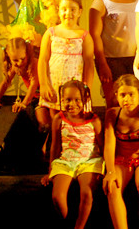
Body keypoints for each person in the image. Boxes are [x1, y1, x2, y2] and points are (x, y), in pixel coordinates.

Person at [41, 80, 103, 229]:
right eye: (68, 100)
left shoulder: (93, 120)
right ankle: (67, 222)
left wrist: (108, 170)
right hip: (66, 161)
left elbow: (103, 144)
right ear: (62, 100)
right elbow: (55, 146)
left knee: (87, 193)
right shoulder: (58, 119)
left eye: (77, 100)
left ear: (85, 100)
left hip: (89, 161)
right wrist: (50, 170)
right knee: (57, 196)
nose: (72, 104)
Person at [103, 74, 139, 229]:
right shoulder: (112, 114)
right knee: (112, 187)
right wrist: (110, 172)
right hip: (122, 159)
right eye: (122, 95)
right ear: (116, 96)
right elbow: (109, 146)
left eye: (131, 94)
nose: (127, 99)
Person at [90, 0, 138, 108]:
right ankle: (111, 130)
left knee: (133, 100)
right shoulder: (101, 1)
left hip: (135, 59)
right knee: (114, 101)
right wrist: (102, 63)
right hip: (111, 60)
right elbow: (94, 35)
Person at [38, 0, 94, 117]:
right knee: (56, 119)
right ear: (58, 11)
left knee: (74, 118)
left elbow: (89, 64)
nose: (68, 13)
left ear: (79, 12)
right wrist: (43, 84)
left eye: (72, 9)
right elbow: (43, 60)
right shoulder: (50, 33)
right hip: (54, 85)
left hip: (75, 87)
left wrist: (87, 89)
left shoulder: (84, 36)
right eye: (64, 9)